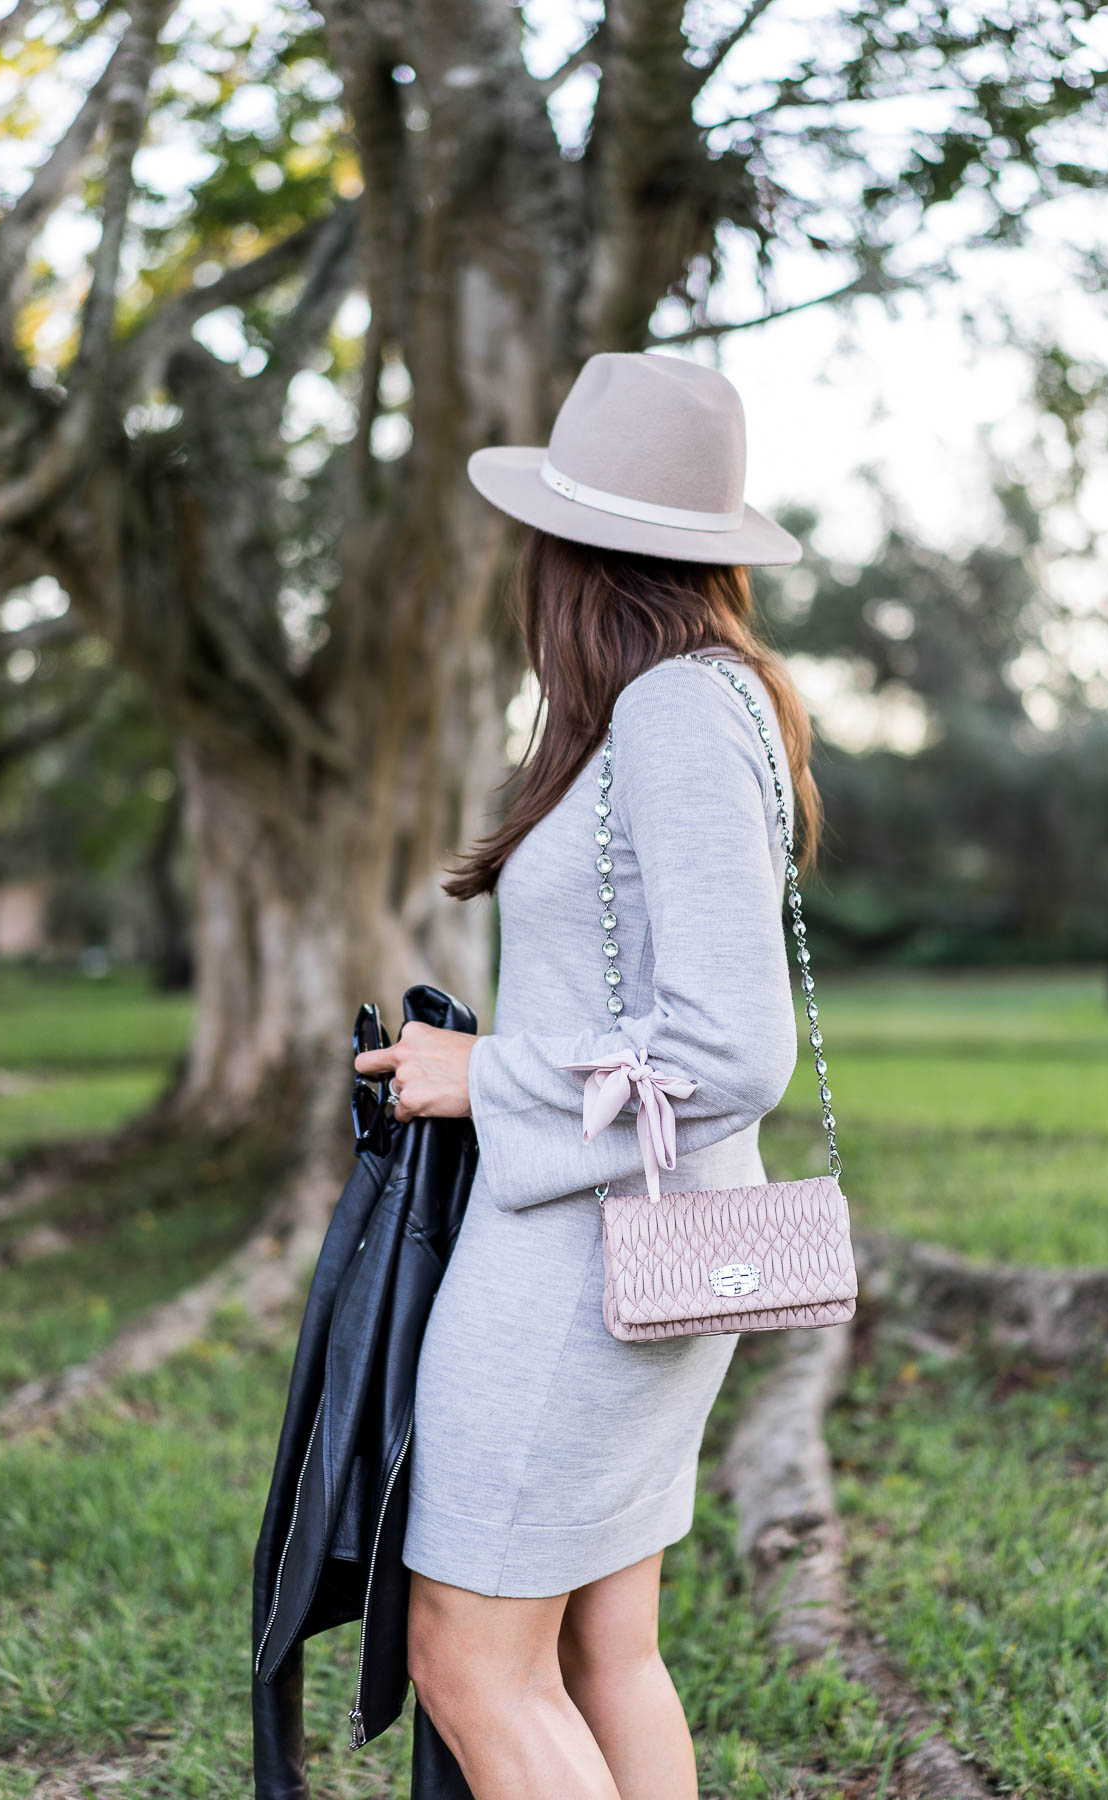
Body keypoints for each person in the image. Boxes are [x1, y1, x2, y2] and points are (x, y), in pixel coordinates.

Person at [354, 351, 822, 1800]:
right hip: (647, 1245)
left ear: (569, 548)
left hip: (585, 1264)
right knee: (601, 1653)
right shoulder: (689, 702)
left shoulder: (676, 711)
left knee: (472, 1658)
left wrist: (483, 1076)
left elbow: (734, 1046)